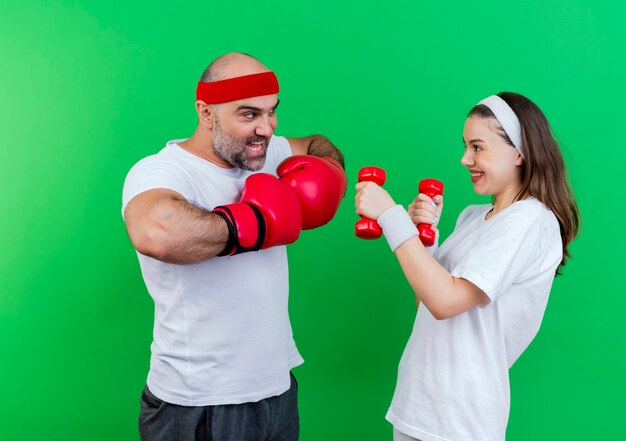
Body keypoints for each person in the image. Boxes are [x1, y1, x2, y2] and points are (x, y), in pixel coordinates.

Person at [122, 52, 346, 441]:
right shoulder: (164, 170)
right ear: (206, 113)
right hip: (199, 402)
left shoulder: (264, 154)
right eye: (249, 115)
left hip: (276, 389)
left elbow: (317, 145)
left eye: (271, 112)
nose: (267, 128)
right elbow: (155, 231)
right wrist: (259, 223)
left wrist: (327, 175)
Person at [354, 92, 580, 441]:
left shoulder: (530, 219)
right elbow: (428, 303)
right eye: (465, 146)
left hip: (461, 419)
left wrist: (390, 216)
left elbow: (447, 302)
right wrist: (423, 240)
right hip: (419, 406)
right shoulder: (473, 217)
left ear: (519, 152)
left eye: (478, 147)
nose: (465, 159)